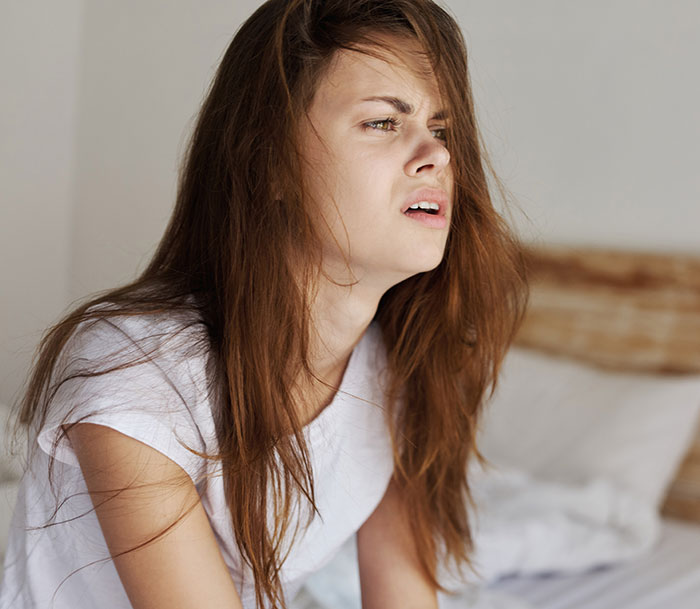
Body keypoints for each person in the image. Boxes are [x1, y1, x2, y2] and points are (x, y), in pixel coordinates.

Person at [0, 1, 528, 608]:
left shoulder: (399, 371)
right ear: (268, 163)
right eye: (384, 122)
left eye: (442, 129)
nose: (437, 156)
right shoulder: (135, 372)